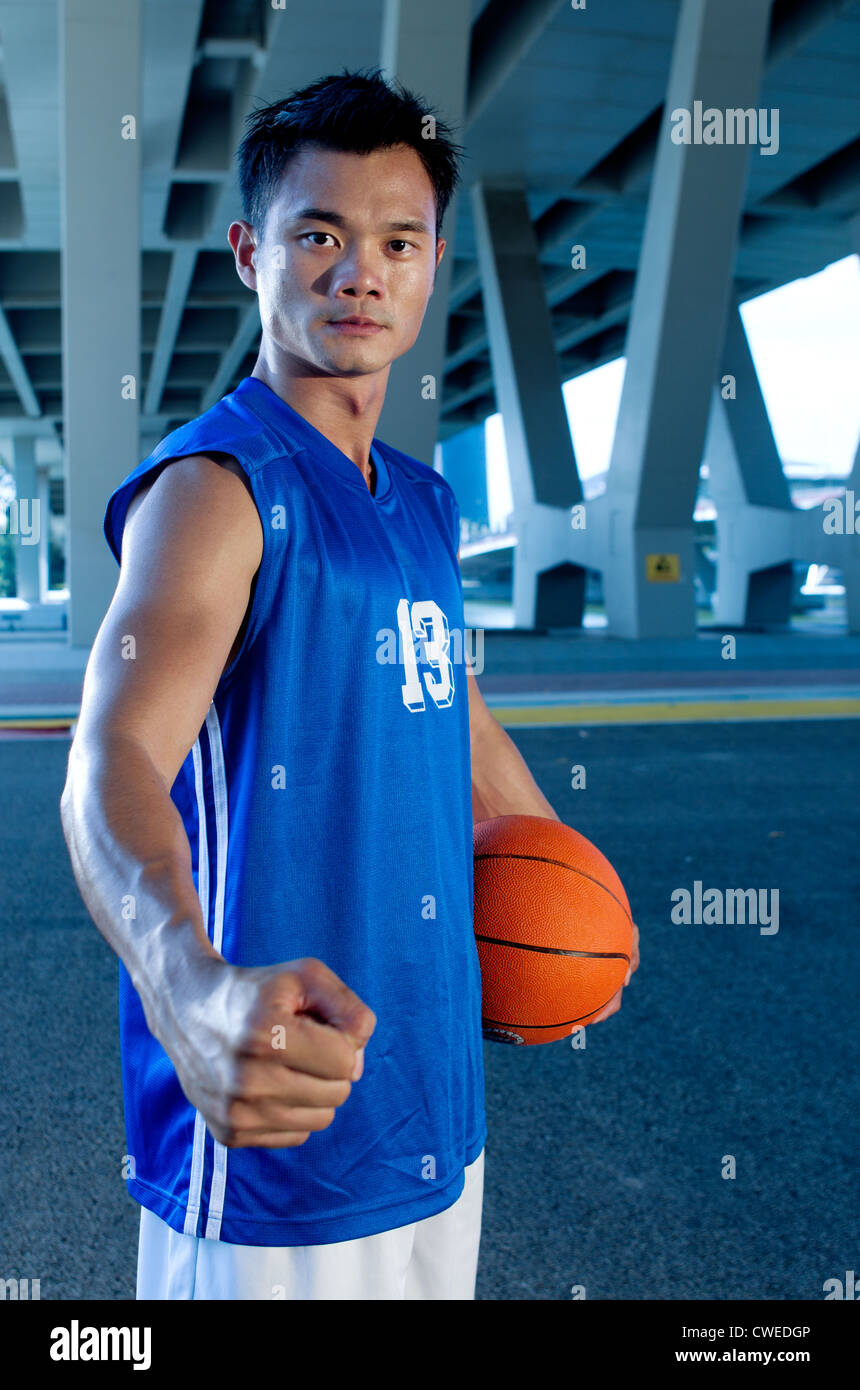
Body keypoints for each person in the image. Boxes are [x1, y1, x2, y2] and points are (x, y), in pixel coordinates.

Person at [60, 68, 639, 1302]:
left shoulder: (423, 501)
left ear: (432, 265)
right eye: (315, 234)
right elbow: (106, 765)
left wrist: (573, 885)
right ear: (247, 254)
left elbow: (453, 711)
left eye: (395, 240)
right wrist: (187, 986)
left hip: (432, 1102)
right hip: (281, 1116)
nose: (356, 271)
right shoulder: (217, 490)